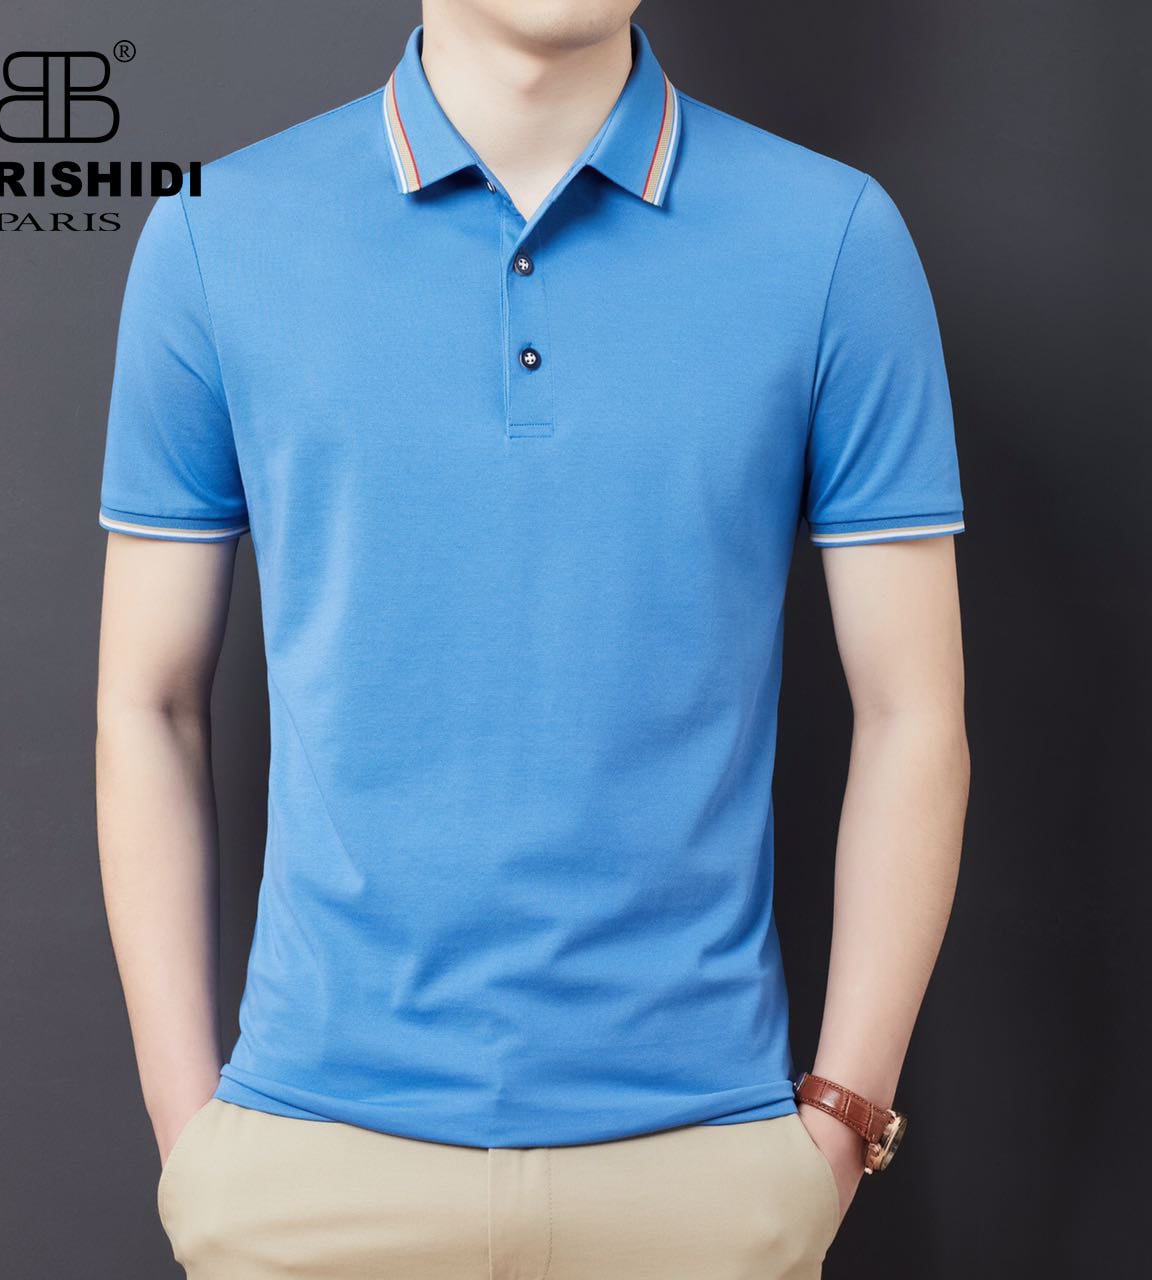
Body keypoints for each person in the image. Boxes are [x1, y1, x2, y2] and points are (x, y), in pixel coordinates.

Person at [94, 1, 970, 1276]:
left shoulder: (830, 237)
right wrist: (198, 1149)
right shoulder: (215, 233)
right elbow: (147, 703)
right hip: (307, 1170)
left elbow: (914, 715)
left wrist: (837, 1123)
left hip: (702, 1179)